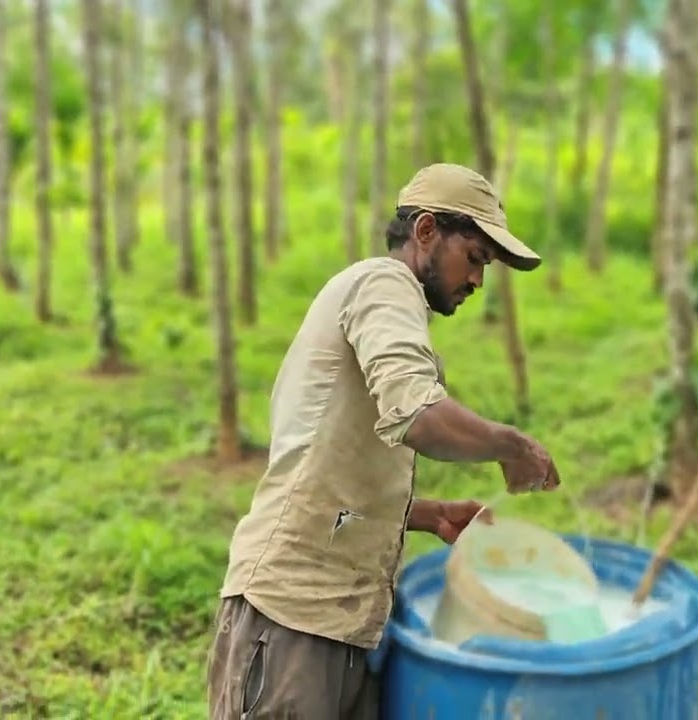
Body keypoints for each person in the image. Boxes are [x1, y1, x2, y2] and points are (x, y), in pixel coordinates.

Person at [206, 163, 561, 720]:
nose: (477, 281)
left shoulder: (384, 300)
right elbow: (417, 412)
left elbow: (324, 460)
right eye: (474, 258)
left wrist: (423, 514)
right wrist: (512, 446)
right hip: (294, 618)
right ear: (425, 232)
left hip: (344, 622)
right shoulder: (384, 284)